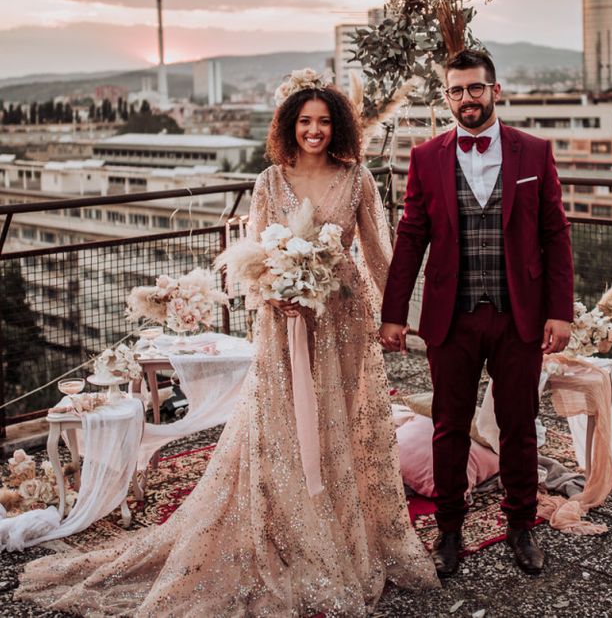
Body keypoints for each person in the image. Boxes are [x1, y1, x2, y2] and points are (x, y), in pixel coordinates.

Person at [16, 71, 438, 616]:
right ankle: (290, 526)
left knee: (340, 419)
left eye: (325, 121)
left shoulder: (357, 180)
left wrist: (399, 317)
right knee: (284, 424)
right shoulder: (267, 182)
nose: (315, 130)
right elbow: (253, 263)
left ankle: (341, 522)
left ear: (338, 127)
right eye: (305, 121)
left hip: (341, 322)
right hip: (282, 324)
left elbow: (379, 253)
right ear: (291, 126)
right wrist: (272, 296)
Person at [379, 49, 574, 577]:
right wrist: (393, 315)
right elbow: (411, 237)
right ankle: (448, 531)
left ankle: (520, 528)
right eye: (456, 90)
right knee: (450, 426)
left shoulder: (534, 152)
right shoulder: (426, 157)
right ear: (447, 96)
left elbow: (555, 234)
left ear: (496, 90)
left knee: (519, 427)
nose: (467, 98)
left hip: (519, 317)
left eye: (476, 88)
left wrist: (561, 312)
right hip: (453, 318)